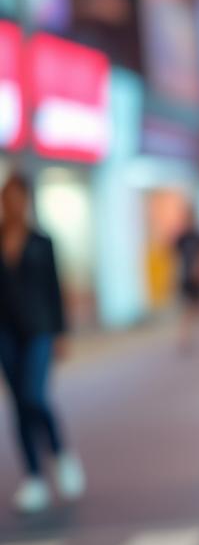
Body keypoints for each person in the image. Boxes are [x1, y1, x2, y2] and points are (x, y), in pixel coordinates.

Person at [0, 171, 86, 514]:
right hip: (5, 333)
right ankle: (34, 478)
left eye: (20, 196)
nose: (14, 203)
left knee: (35, 395)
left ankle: (61, 453)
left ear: (28, 201)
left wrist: (61, 332)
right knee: (18, 404)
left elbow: (54, 290)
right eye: (9, 197)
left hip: (39, 330)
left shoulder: (42, 241)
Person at [173, 204, 199, 355]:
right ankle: (185, 340)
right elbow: (175, 258)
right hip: (186, 278)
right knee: (189, 309)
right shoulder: (181, 238)